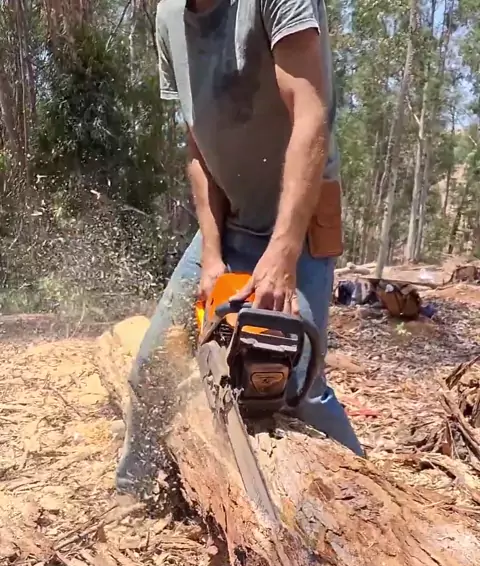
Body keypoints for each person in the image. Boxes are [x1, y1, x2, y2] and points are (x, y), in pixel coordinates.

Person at [116, 0, 363, 498]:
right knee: (153, 367)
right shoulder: (168, 18)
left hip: (298, 226)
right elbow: (197, 145)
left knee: (296, 387)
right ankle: (134, 490)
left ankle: (368, 509)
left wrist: (283, 251)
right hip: (229, 222)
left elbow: (311, 117)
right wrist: (211, 254)